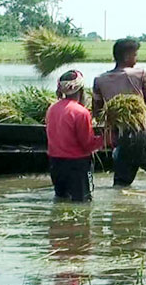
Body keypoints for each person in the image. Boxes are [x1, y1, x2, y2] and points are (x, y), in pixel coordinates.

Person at [92, 38, 146, 188]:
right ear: (127, 56)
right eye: (135, 55)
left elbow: (97, 112)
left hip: (120, 137)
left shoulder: (99, 80)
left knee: (121, 183)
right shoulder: (140, 74)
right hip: (142, 132)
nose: (136, 59)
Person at [45, 70, 105, 202]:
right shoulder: (81, 112)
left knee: (61, 199)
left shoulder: (52, 109)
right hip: (77, 165)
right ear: (81, 90)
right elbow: (87, 145)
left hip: (56, 163)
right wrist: (105, 139)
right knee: (83, 202)